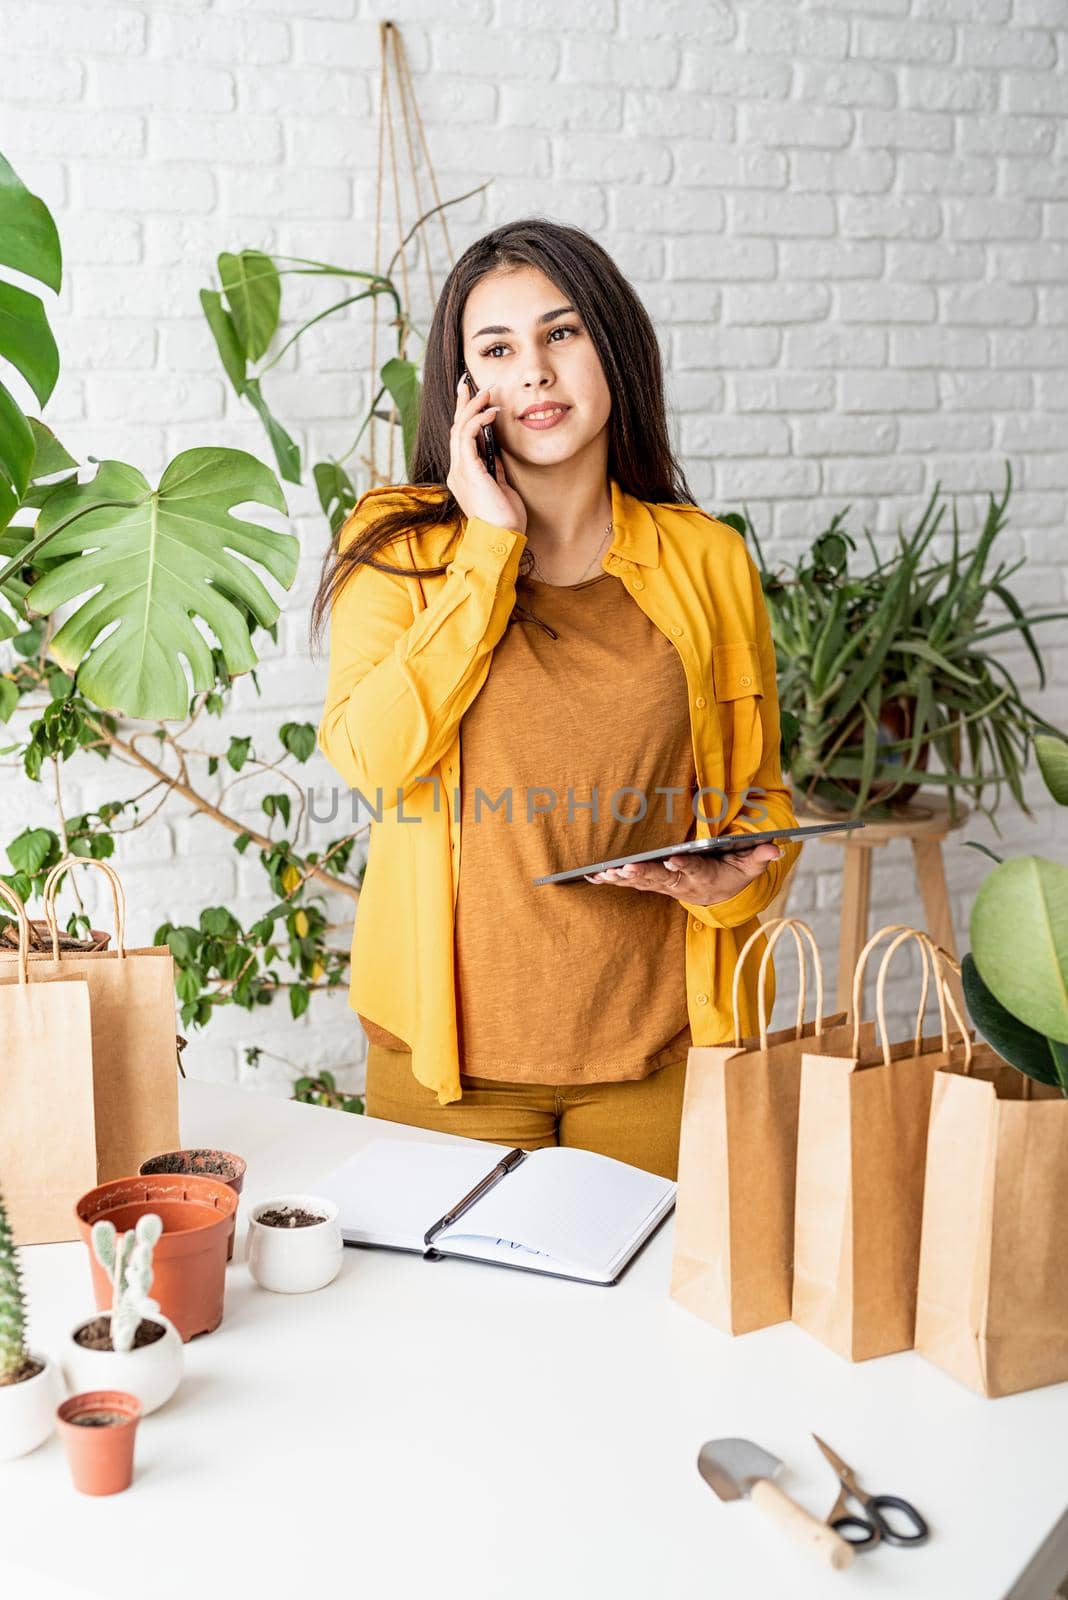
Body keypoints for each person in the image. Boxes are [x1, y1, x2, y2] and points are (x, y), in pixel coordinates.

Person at [312, 218, 801, 1180]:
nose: (533, 370)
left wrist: (731, 879)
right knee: (460, 1333)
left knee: (650, 1326)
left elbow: (762, 805)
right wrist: (489, 552)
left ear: (612, 347)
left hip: (665, 1050)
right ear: (466, 391)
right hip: (450, 1068)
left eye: (561, 334)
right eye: (497, 349)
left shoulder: (708, 559)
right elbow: (370, 755)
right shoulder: (400, 545)